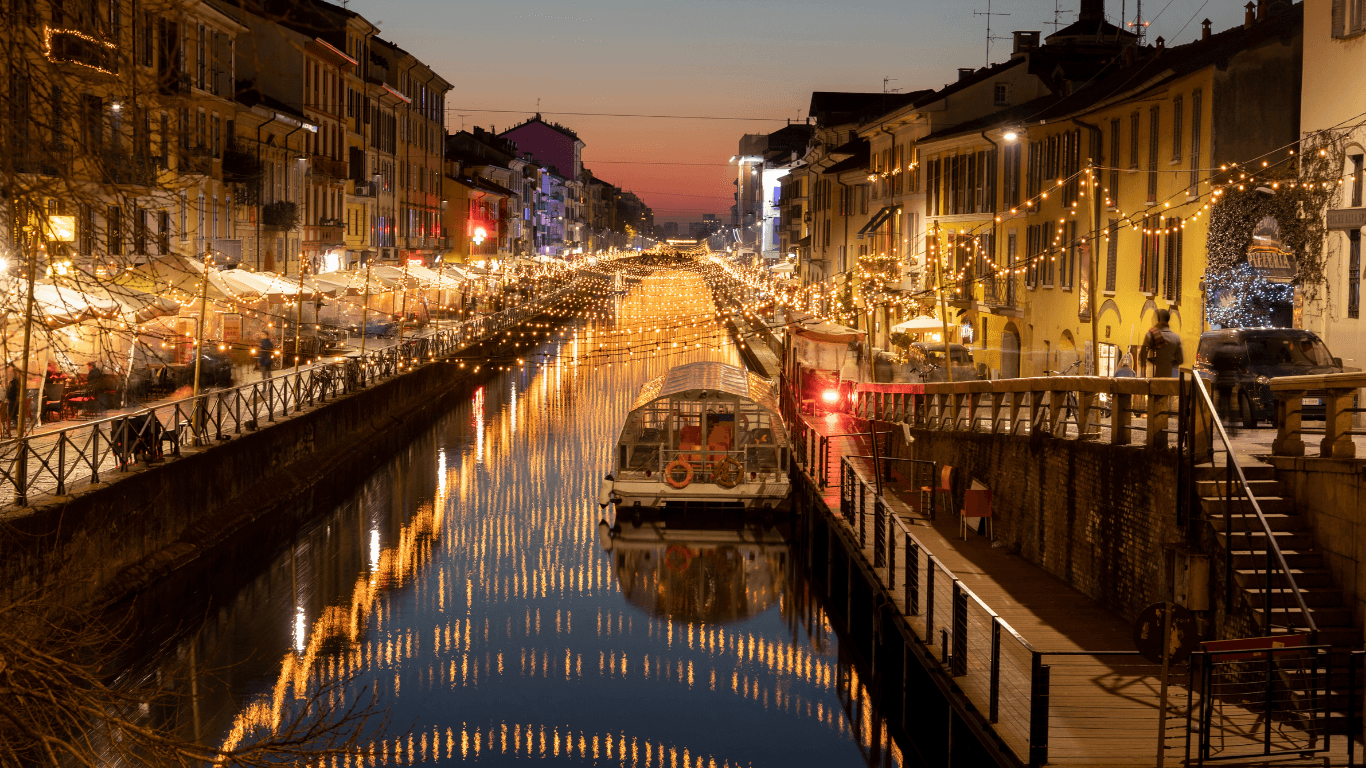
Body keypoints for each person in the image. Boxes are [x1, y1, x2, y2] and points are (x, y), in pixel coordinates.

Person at [1138, 309, 1184, 378]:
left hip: (1152, 380)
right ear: (1168, 320)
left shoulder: (1150, 335)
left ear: (1158, 319)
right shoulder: (1176, 338)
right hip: (1169, 380)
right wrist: (1168, 363)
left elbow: (1142, 357)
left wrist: (1152, 361)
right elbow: (1180, 360)